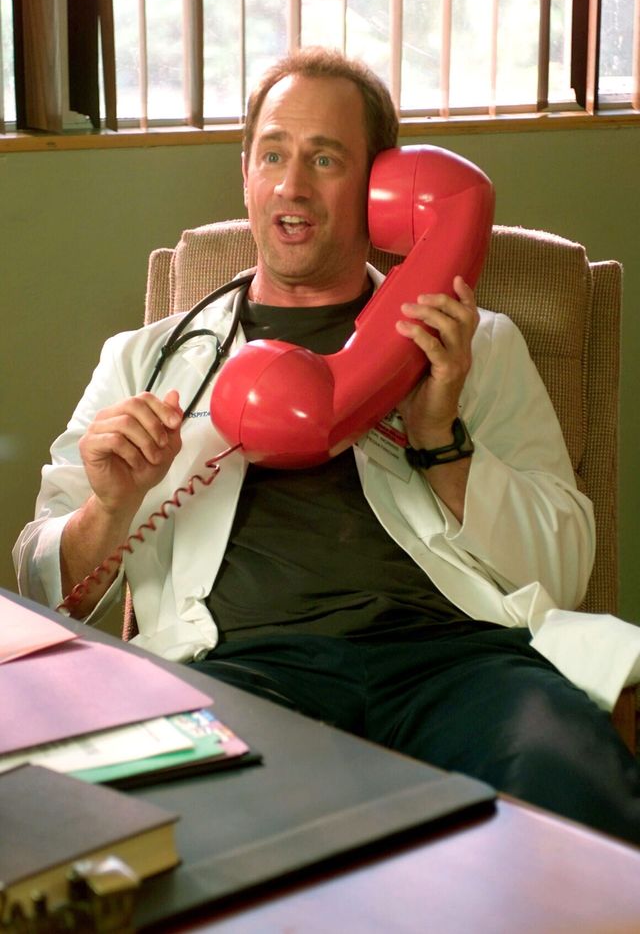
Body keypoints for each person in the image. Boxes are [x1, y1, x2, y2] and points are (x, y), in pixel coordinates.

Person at [14, 47, 640, 845]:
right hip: (249, 673)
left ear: (384, 188)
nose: (292, 185)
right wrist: (111, 505)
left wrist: (441, 439)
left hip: (459, 665)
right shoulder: (145, 360)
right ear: (246, 173)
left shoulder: (476, 344)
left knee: (578, 799)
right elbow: (42, 584)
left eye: (325, 159)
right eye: (273, 154)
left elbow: (566, 564)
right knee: (201, 844)